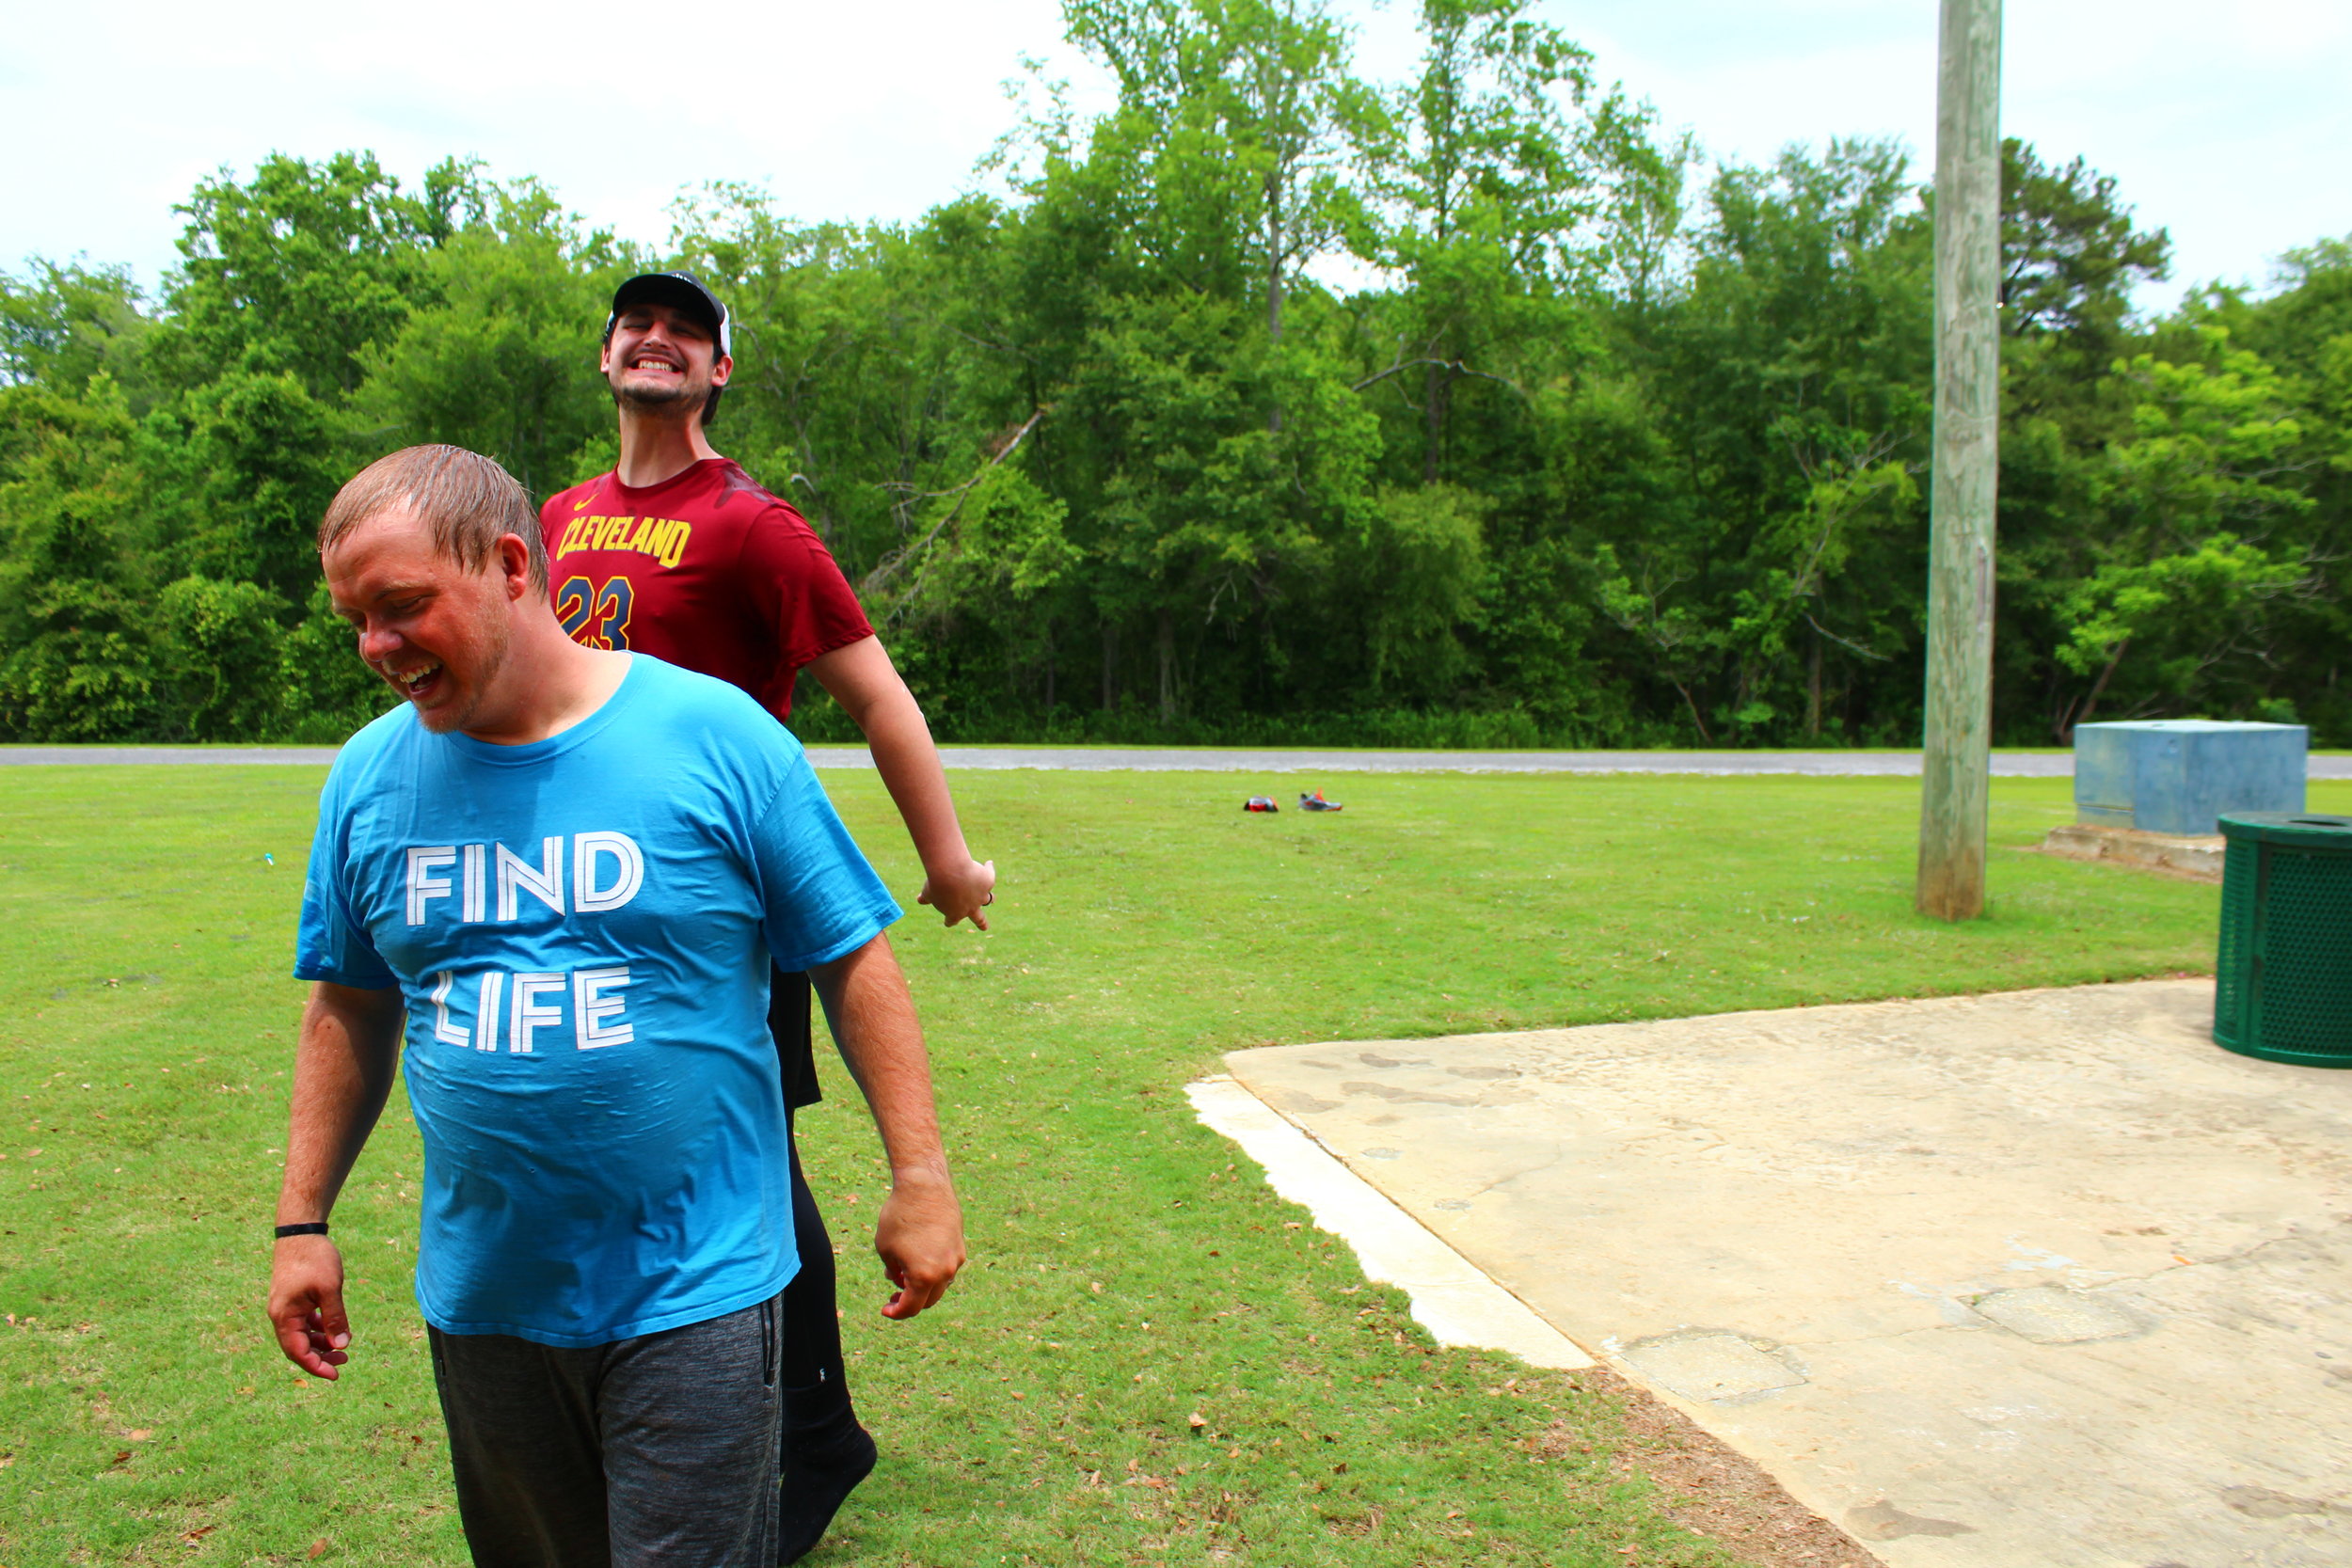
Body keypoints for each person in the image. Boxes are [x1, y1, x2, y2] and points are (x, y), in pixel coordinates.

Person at [267, 444, 967, 1568]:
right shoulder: (367, 777)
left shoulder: (716, 736)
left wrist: (920, 1176)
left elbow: (852, 955)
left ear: (509, 566)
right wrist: (302, 1221)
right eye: (355, 619)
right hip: (484, 1294)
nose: (375, 647)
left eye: (400, 606)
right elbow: (348, 1001)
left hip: (695, 1289)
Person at [537, 269, 993, 1560]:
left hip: (714, 907)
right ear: (607, 356)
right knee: (638, 1143)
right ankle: (653, 1406)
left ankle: (812, 1431)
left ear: (718, 371)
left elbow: (878, 693)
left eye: (687, 331)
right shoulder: (556, 517)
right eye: (638, 325)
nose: (658, 339)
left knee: (744, 1160)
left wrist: (947, 860)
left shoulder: (751, 526)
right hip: (584, 894)